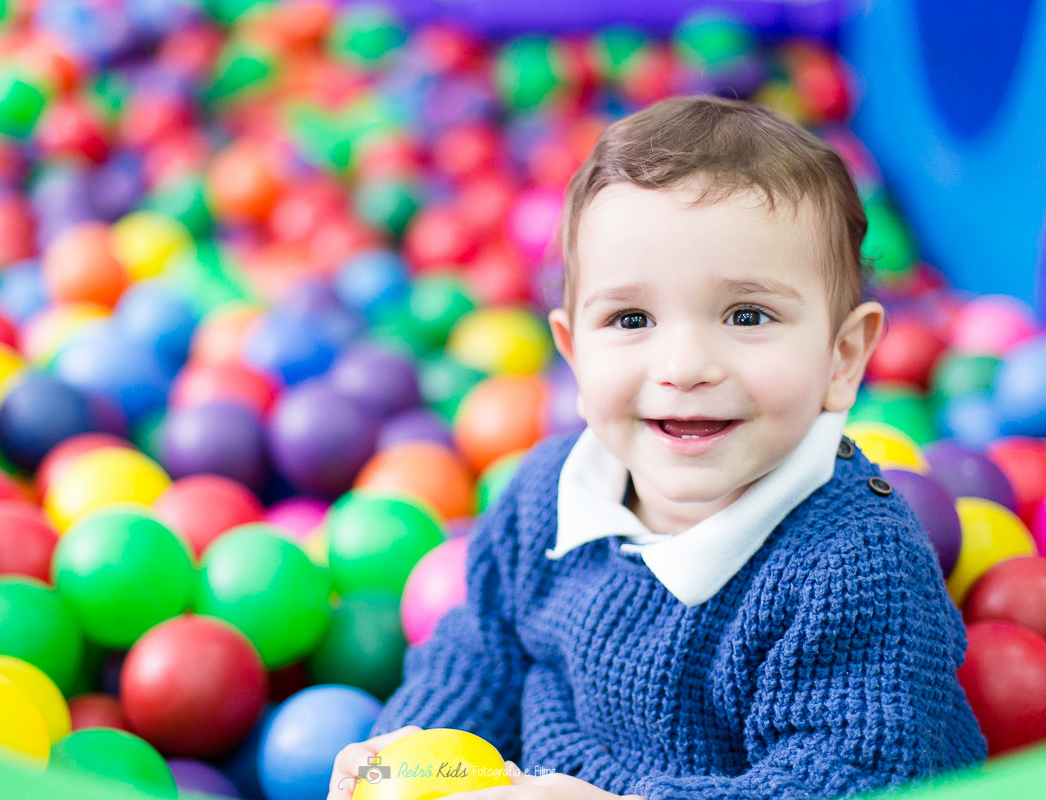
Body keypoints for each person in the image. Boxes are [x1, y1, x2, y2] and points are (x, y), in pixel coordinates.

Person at [327, 95, 987, 800]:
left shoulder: (851, 567)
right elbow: (485, 650)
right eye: (631, 318)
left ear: (842, 357)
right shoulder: (547, 494)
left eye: (747, 314)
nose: (684, 365)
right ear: (574, 355)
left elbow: (848, 778)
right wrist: (410, 756)